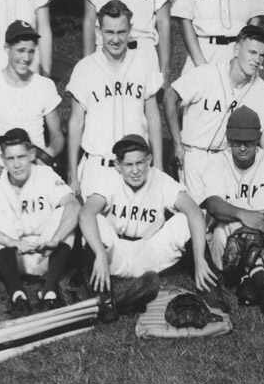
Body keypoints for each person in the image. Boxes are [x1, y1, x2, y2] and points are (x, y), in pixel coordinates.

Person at [77, 135, 199, 322]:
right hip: (115, 252)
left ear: (149, 160)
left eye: (140, 163)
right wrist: (101, 254)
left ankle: (208, 285)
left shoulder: (160, 179)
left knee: (185, 220)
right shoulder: (109, 178)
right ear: (118, 165)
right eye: (128, 165)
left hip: (150, 250)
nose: (135, 171)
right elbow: (85, 213)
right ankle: (105, 299)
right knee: (95, 223)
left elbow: (194, 211)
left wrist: (200, 260)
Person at [0, 129, 83, 316]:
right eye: (10, 158)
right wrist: (10, 242)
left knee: (64, 212)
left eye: (21, 156)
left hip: (47, 253)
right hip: (13, 257)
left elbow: (73, 205)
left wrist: (55, 239)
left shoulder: (45, 174)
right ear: (3, 159)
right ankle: (18, 296)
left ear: (31, 154)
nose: (17, 164)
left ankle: (49, 291)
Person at [187, 107, 264, 291]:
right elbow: (212, 204)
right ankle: (256, 271)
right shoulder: (216, 162)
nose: (243, 148)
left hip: (263, 234)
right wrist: (245, 215)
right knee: (228, 212)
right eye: (237, 142)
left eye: (248, 142)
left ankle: (245, 276)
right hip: (227, 247)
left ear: (258, 138)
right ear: (228, 139)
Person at [66, 2, 167, 180]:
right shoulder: (85, 68)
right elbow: (76, 124)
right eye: (109, 32)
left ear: (130, 30)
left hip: (134, 170)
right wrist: (72, 174)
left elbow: (153, 118)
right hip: (97, 167)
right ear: (99, 31)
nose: (115, 39)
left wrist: (158, 166)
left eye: (121, 32)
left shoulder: (143, 64)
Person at [166, 25, 264, 178]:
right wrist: (177, 144)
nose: (257, 60)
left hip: (226, 161)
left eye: (262, 55)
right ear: (237, 50)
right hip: (193, 156)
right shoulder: (207, 73)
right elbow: (169, 98)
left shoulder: (261, 89)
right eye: (252, 52)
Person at [0, 22, 63, 177]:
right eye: (20, 51)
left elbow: (57, 135)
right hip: (1, 171)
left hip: (36, 169)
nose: (26, 58)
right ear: (7, 49)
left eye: (31, 52)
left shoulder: (45, 86)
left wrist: (50, 152)